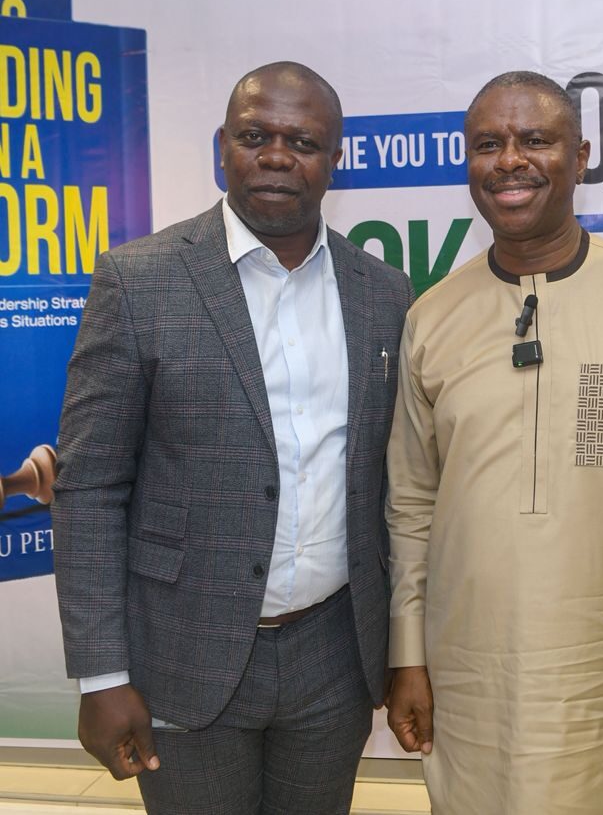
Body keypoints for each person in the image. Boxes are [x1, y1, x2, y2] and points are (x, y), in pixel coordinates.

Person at [52, 61, 413, 814]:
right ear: (222, 147)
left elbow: (392, 486)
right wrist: (102, 675)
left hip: (334, 657)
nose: (277, 156)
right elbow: (89, 489)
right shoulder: (139, 280)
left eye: (302, 142)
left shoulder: (383, 293)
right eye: (255, 137)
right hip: (182, 652)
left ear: (335, 160)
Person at [384, 70, 603, 815]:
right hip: (472, 674)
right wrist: (407, 651)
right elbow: (411, 503)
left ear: (579, 158)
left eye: (535, 140)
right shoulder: (432, 317)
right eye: (488, 144)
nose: (510, 160)